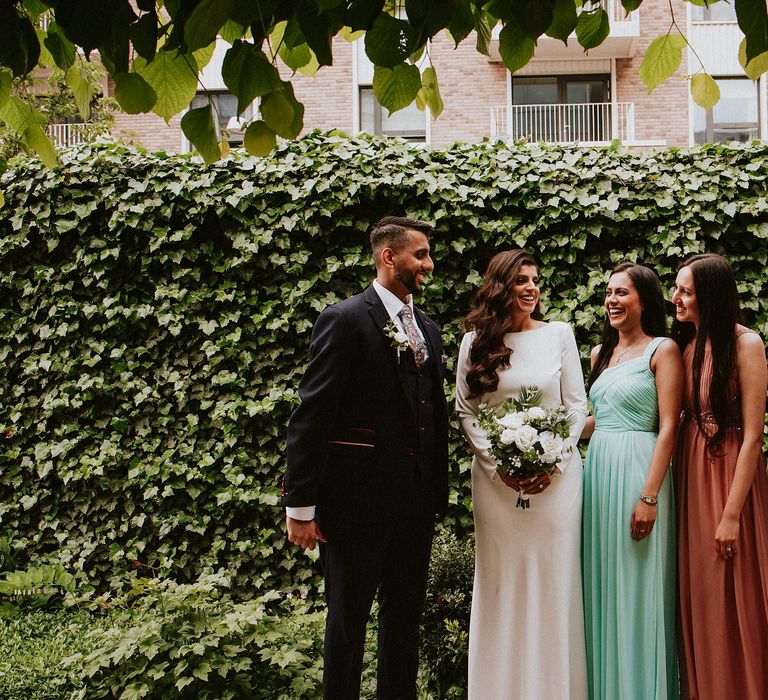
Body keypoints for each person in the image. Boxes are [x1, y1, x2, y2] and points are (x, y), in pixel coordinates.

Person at [282, 216, 449, 700]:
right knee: (347, 625)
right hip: (354, 508)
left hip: (414, 508)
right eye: (420, 254)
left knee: (404, 623)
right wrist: (300, 507)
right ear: (388, 256)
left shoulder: (429, 331)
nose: (428, 264)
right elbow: (311, 416)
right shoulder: (346, 319)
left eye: (428, 254)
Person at [455, 250, 588, 699]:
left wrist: (553, 461)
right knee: (500, 580)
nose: (532, 289)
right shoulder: (474, 342)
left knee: (555, 577)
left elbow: (576, 406)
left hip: (557, 483)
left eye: (536, 280)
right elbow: (466, 410)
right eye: (521, 281)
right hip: (495, 487)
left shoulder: (560, 334)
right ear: (501, 287)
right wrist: (499, 466)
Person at [580, 263, 682, 699]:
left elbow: (670, 426)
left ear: (645, 299)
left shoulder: (663, 350)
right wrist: (538, 432)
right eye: (608, 293)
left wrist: (649, 495)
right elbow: (595, 421)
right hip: (597, 476)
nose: (612, 301)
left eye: (622, 293)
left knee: (638, 590)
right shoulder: (598, 356)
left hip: (640, 474)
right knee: (601, 589)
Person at [671, 253, 768, 700]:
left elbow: (752, 437)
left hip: (731, 474)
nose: (676, 298)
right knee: (703, 593)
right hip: (691, 478)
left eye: (685, 291)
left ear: (709, 294)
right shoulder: (688, 347)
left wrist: (732, 514)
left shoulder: (746, 343)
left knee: (737, 590)